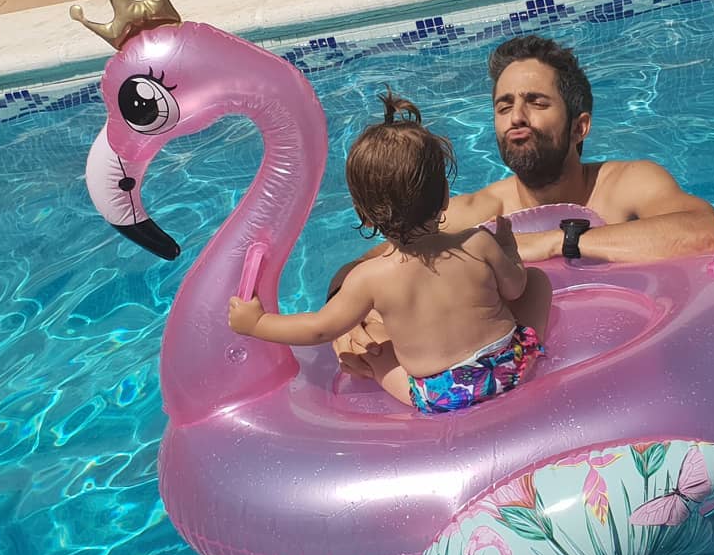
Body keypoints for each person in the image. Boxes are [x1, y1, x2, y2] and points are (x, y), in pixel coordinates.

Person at [331, 34, 714, 382]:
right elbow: (356, 270)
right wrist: (345, 318)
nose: (517, 117)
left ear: (579, 127)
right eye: (504, 107)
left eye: (535, 102)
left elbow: (704, 233)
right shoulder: (478, 211)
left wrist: (558, 240)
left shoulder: (627, 184)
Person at [228, 91, 552, 413]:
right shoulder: (477, 242)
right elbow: (517, 287)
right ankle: (529, 351)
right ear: (444, 197)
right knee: (538, 281)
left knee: (376, 353)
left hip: (442, 395)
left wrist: (256, 324)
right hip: (510, 367)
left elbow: (320, 327)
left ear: (364, 214)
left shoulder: (369, 278)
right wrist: (508, 250)